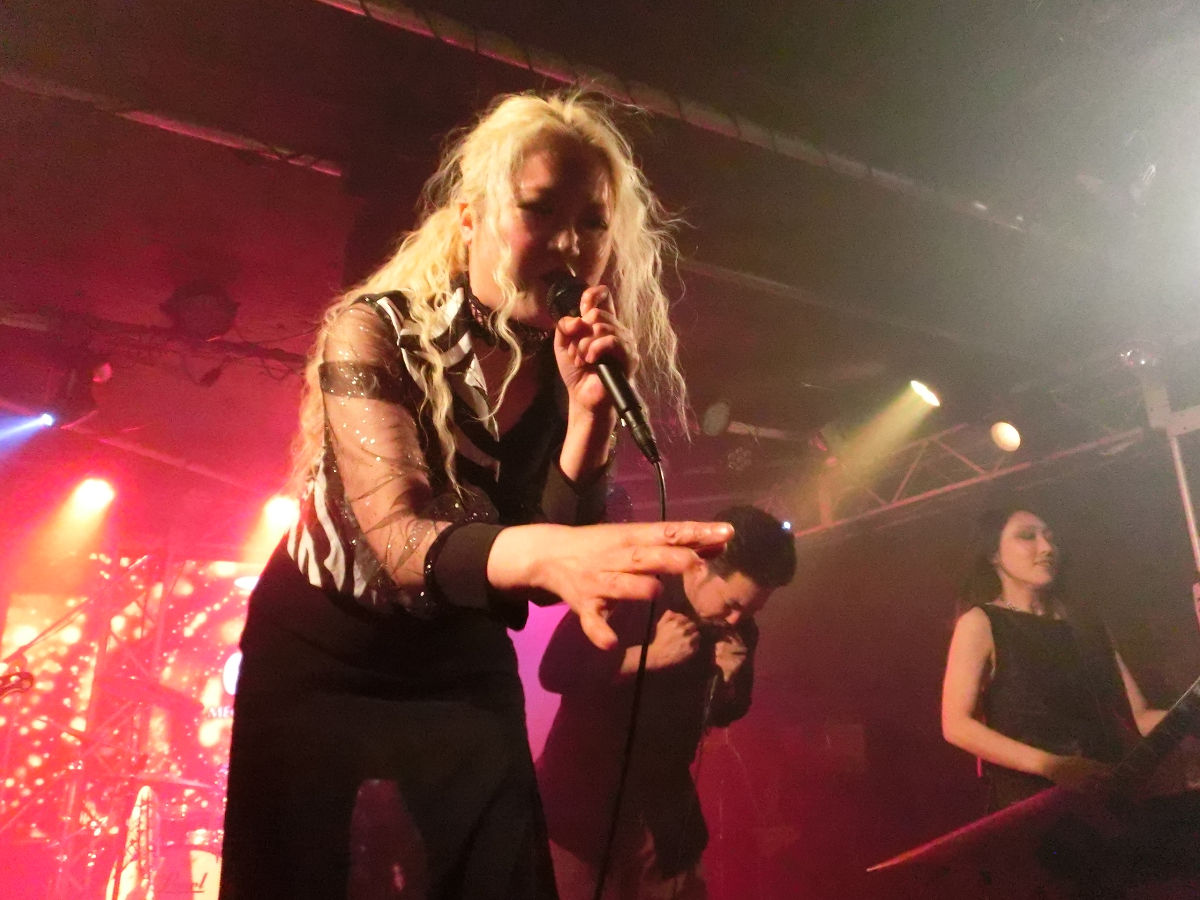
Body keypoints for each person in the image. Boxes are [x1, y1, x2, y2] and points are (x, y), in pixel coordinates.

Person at [218, 92, 735, 900]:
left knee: (504, 869)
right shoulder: (374, 330)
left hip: (457, 650)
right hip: (324, 650)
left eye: (593, 223)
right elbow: (401, 540)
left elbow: (546, 567)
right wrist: (553, 551)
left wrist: (588, 423)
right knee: (297, 875)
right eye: (540, 210)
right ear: (471, 219)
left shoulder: (565, 362)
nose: (570, 244)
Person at [537, 505, 796, 900]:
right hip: (581, 812)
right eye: (731, 603)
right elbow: (555, 670)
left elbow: (728, 711)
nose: (736, 619)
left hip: (663, 818)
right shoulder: (635, 589)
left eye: (750, 610)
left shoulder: (740, 628)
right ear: (699, 567)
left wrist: (728, 681)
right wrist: (648, 657)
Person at [941, 505, 1167, 812]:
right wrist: (1052, 766)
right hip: (1037, 808)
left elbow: (1138, 716)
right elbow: (956, 724)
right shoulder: (982, 623)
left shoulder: (1086, 625)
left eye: (1050, 538)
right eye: (1027, 536)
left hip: (1107, 802)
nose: (1047, 547)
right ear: (993, 554)